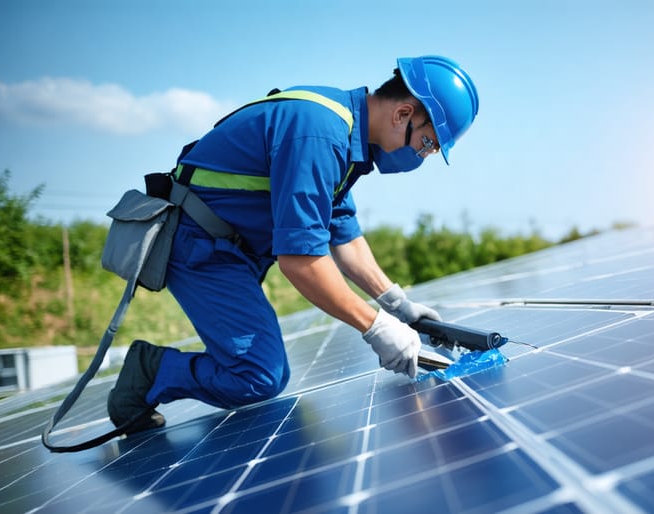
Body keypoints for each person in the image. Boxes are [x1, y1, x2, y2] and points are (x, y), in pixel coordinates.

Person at [107, 56, 479, 434]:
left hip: (231, 249)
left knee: (267, 371)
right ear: (403, 113)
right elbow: (301, 262)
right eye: (427, 143)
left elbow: (343, 234)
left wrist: (400, 306)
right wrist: (377, 327)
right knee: (259, 376)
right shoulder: (319, 134)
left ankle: (158, 372)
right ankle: (150, 371)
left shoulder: (348, 137)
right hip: (200, 246)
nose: (421, 156)